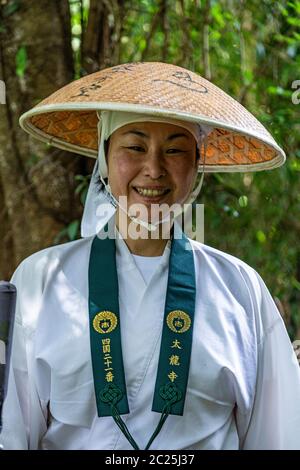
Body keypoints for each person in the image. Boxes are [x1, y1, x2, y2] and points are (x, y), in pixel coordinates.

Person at [1, 62, 300, 450]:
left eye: (175, 150)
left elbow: (277, 436)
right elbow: (11, 433)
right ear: (106, 156)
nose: (154, 169)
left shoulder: (241, 289)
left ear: (197, 165)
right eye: (135, 147)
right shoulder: (42, 279)